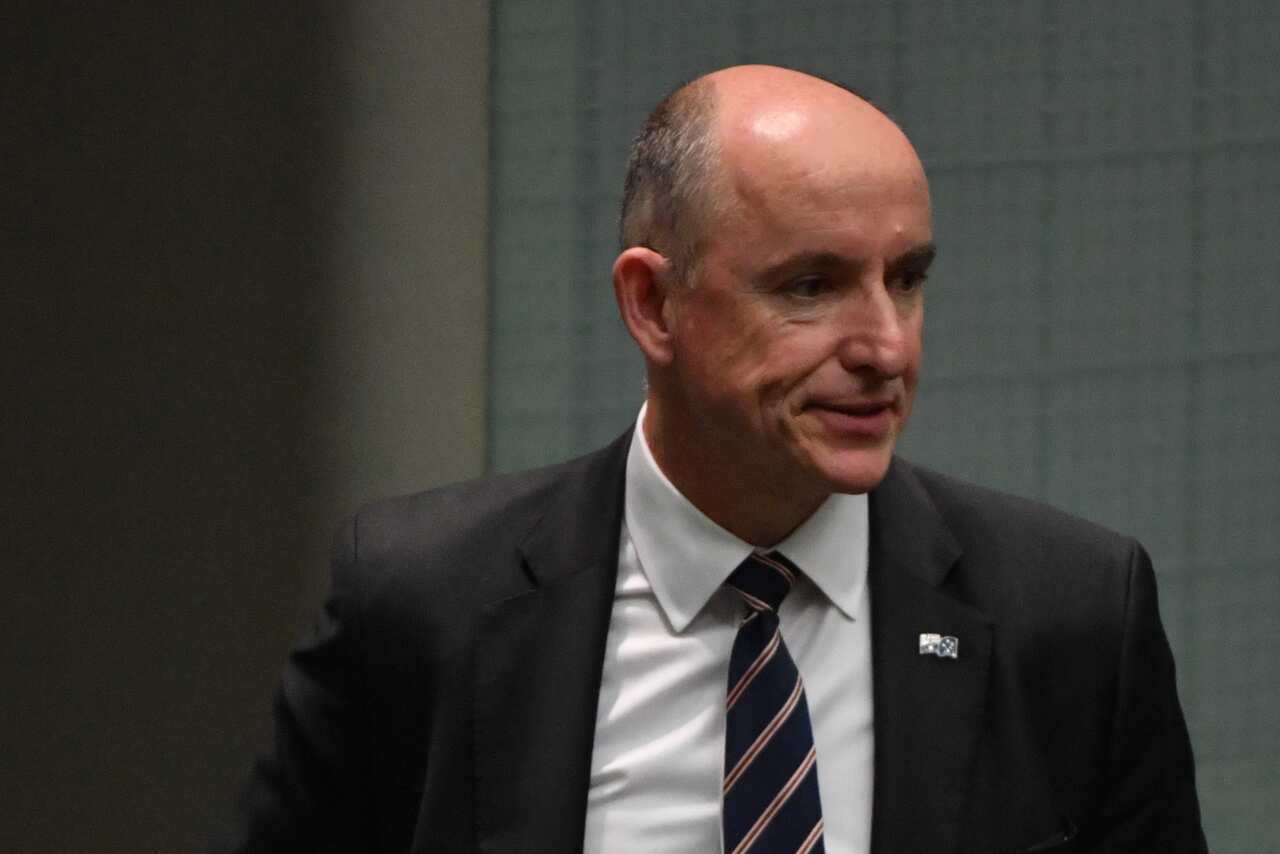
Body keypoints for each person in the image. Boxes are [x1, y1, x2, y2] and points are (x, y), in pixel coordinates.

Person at [210, 65, 1206, 853]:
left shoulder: (1071, 614)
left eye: (904, 279)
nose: (885, 348)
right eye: (811, 284)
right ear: (652, 304)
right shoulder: (422, 598)